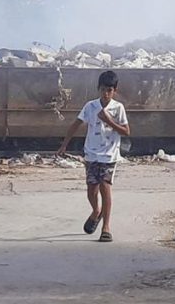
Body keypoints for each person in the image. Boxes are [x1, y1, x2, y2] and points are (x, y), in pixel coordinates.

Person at [56, 70, 130, 242]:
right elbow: (76, 124)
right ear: (98, 89)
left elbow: (126, 131)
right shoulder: (90, 106)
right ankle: (96, 211)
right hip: (91, 154)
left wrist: (109, 120)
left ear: (115, 91)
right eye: (103, 90)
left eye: (109, 90)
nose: (106, 94)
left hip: (109, 155)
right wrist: (64, 144)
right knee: (91, 190)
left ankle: (106, 227)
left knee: (105, 187)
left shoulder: (118, 108)